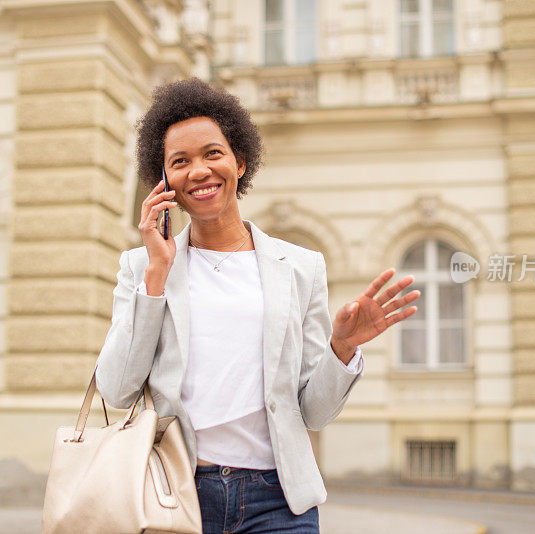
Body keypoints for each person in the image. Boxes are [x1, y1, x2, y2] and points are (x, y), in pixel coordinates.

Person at [95, 78, 420, 533]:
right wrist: (156, 275)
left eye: (212, 153)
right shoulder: (141, 267)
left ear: (239, 162)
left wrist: (342, 347)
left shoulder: (301, 267)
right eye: (180, 162)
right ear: (164, 180)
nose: (199, 171)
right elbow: (116, 389)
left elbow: (315, 413)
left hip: (278, 501)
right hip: (177, 494)